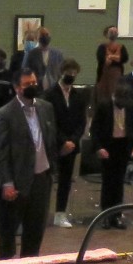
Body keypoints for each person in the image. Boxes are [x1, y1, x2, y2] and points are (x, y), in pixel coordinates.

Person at [0, 75, 57, 257]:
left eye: (34, 83)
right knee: (9, 232)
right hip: (17, 182)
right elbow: (0, 153)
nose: (32, 86)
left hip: (42, 179)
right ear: (16, 87)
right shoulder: (4, 114)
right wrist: (6, 182)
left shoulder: (46, 108)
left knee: (35, 230)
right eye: (28, 84)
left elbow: (50, 140)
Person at [95, 53, 133, 213]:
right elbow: (95, 129)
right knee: (108, 182)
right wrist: (99, 147)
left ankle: (117, 213)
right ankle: (105, 214)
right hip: (109, 146)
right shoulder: (104, 107)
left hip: (123, 146)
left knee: (119, 181)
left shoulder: (129, 107)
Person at [44, 62, 84, 227]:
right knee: (47, 179)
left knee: (66, 180)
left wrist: (73, 141)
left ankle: (60, 213)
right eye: (69, 71)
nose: (71, 75)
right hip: (54, 143)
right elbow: (49, 121)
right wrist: (62, 141)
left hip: (71, 145)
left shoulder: (78, 95)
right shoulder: (49, 94)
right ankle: (43, 211)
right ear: (61, 72)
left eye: (74, 72)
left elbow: (82, 122)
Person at [19, 28, 64, 93]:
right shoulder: (30, 54)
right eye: (42, 35)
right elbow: (24, 72)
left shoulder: (58, 54)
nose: (45, 37)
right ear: (37, 38)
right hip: (36, 90)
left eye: (47, 35)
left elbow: (61, 72)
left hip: (54, 90)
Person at [95, 26, 128, 113]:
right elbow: (101, 58)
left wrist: (110, 57)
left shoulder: (121, 47)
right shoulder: (102, 47)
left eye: (115, 31)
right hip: (104, 77)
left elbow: (124, 58)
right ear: (106, 34)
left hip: (117, 76)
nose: (113, 33)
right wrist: (116, 58)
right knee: (103, 98)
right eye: (111, 31)